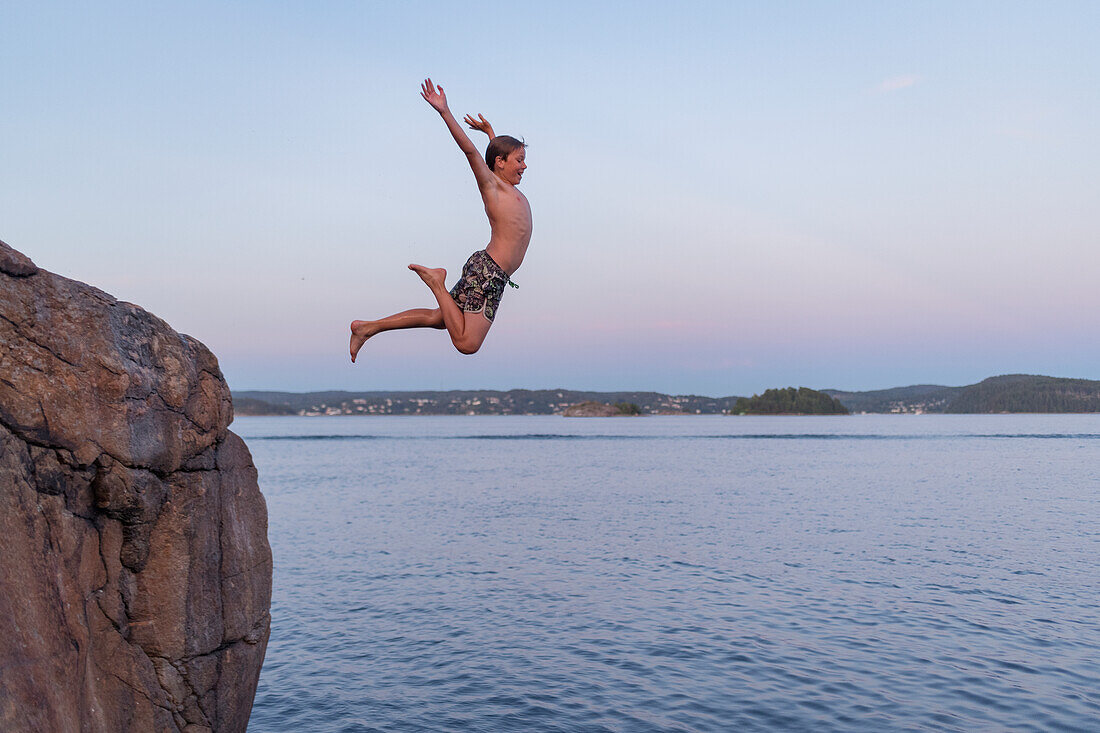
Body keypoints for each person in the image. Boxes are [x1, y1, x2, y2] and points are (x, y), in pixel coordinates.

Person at [350, 78, 532, 362]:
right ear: (500, 162)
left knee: (440, 318)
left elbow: (492, 153)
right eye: (519, 160)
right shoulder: (492, 187)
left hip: (490, 272)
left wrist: (490, 133)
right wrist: (444, 111)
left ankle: (368, 327)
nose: (524, 165)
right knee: (467, 344)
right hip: (488, 273)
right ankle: (436, 282)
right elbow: (472, 152)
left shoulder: (506, 186)